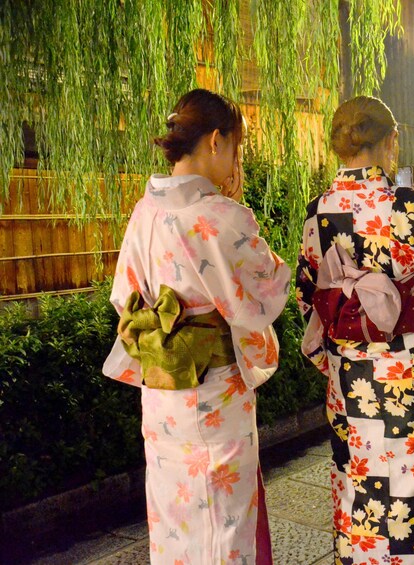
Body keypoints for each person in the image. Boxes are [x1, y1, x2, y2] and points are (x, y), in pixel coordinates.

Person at [103, 89, 291, 564]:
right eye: (236, 148)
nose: (235, 161)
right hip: (215, 397)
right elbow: (267, 291)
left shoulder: (143, 213)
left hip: (163, 396)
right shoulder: (221, 217)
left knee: (174, 519)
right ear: (214, 141)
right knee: (221, 520)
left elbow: (123, 297)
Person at [296, 96, 414, 564]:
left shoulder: (317, 214)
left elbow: (307, 296)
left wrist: (335, 358)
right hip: (412, 378)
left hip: (350, 380)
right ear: (390, 141)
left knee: (358, 492)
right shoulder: (413, 208)